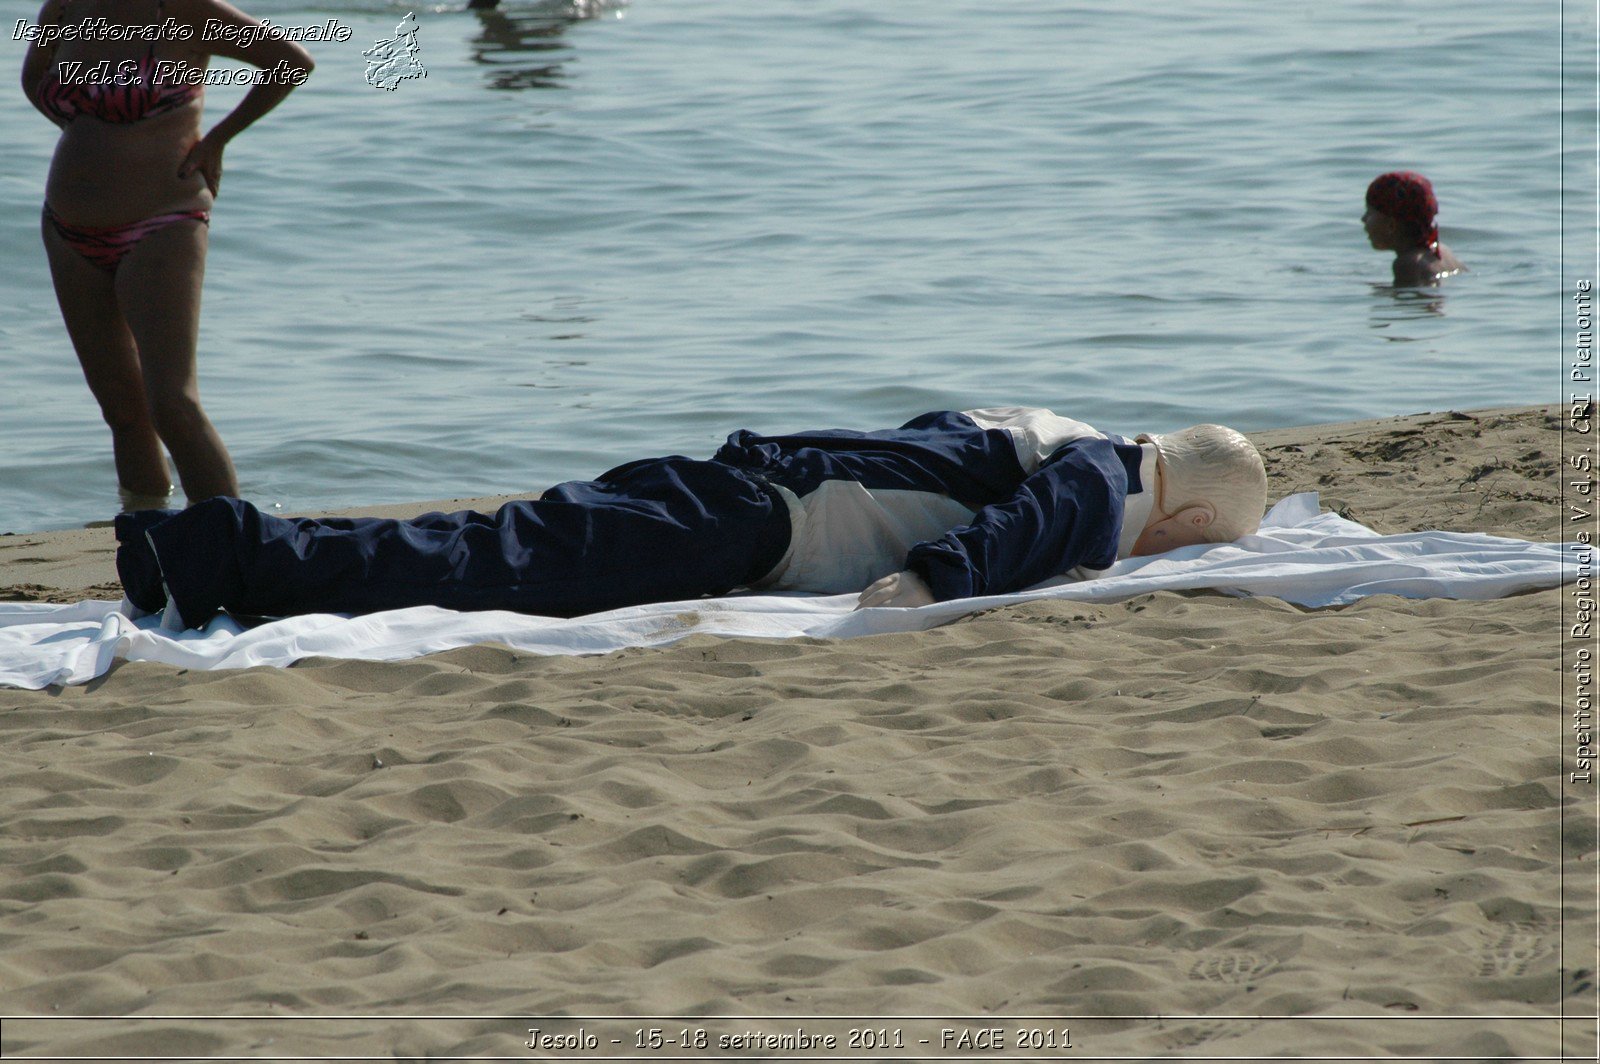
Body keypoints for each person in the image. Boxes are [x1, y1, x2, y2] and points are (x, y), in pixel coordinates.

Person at [114, 407, 1269, 629]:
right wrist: (921, 588)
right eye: (1204, 539)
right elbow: (1018, 529)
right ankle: (229, 549)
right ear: (1190, 513)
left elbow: (919, 446)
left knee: (492, 545)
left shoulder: (1042, 421)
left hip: (724, 485)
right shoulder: (1101, 478)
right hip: (739, 523)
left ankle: (212, 552)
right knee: (487, 565)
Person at [21, 0, 315, 506]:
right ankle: (148, 541)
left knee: (173, 405)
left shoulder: (185, 9)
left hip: (163, 223)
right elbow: (34, 80)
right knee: (121, 410)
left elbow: (290, 63)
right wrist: (94, 141)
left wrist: (217, 139)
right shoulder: (63, 7)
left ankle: (229, 551)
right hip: (67, 228)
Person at [1362, 171, 1463, 286]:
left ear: (1391, 225)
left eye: (1369, 213)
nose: (1363, 219)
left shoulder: (1407, 264)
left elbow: (1409, 301)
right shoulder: (1442, 251)